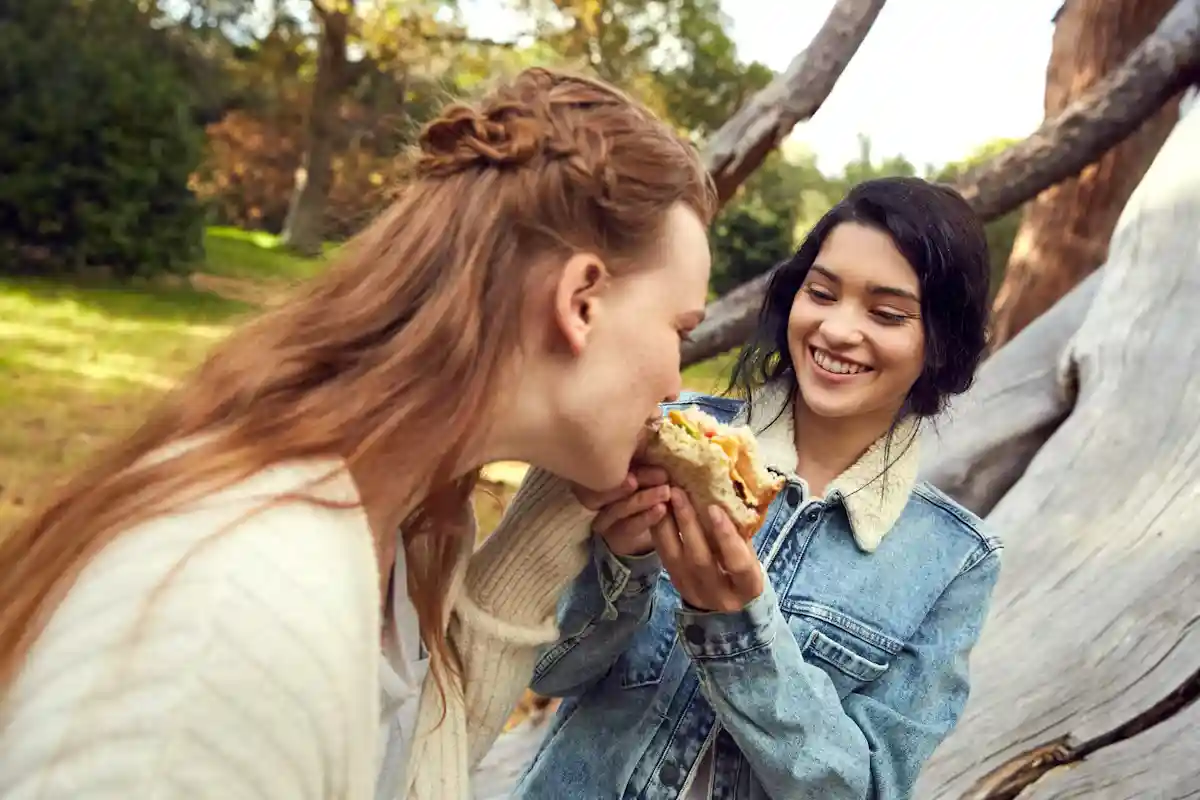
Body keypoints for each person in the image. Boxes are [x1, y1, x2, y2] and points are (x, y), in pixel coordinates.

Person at [0, 67, 715, 800]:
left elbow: (397, 767)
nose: (674, 386)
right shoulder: (239, 620)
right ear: (582, 301)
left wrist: (553, 515)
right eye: (679, 331)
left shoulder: (407, 529)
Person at [512, 176, 1002, 799]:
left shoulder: (953, 560)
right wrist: (623, 567)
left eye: (886, 313)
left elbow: (864, 790)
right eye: (821, 293)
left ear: (940, 342)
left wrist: (735, 628)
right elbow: (545, 673)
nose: (838, 330)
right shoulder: (661, 427)